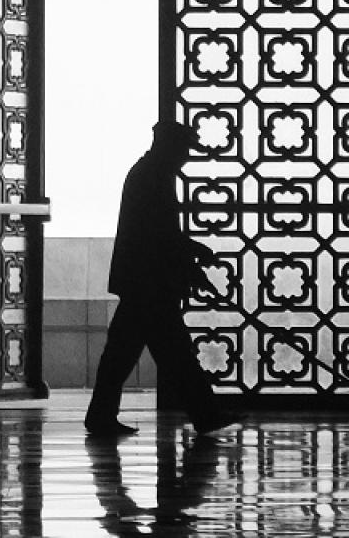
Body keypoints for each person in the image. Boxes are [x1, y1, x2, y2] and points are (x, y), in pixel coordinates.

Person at [84, 120, 239, 438]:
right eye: (183, 151)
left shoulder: (148, 173)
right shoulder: (153, 177)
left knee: (129, 353)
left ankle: (102, 415)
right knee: (169, 352)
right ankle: (205, 414)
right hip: (149, 283)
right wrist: (194, 255)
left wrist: (190, 263)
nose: (185, 158)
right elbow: (161, 235)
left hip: (144, 281)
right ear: (169, 147)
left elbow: (160, 235)